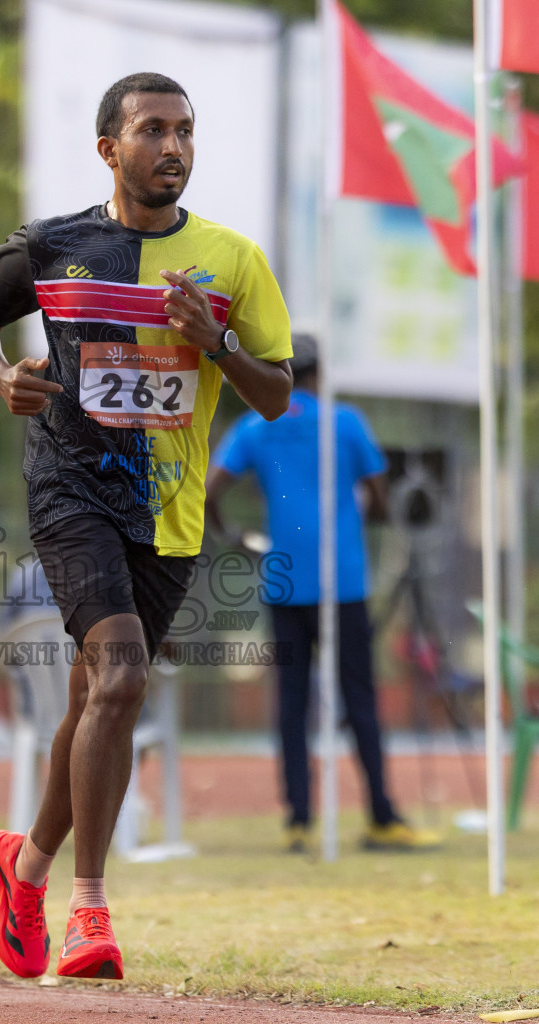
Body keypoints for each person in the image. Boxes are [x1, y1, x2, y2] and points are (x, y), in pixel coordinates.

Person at [0, 72, 293, 980]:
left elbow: (276, 395)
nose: (173, 146)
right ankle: (89, 913)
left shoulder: (233, 260)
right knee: (126, 676)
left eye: (185, 130)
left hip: (169, 512)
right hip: (70, 490)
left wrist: (216, 342)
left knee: (93, 699)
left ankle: (23, 870)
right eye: (152, 130)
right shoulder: (54, 247)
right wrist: (0, 376)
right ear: (110, 148)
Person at [206, 336, 439, 854]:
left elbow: (210, 491)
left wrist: (236, 539)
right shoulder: (346, 422)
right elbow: (380, 500)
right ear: (321, 373)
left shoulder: (255, 425)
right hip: (343, 581)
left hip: (283, 580)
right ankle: (381, 816)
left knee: (291, 705)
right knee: (359, 699)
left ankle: (298, 820)